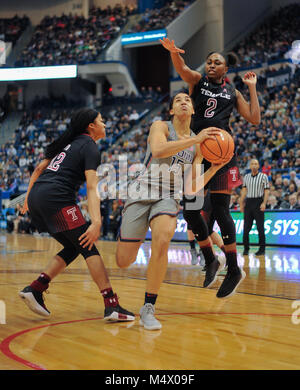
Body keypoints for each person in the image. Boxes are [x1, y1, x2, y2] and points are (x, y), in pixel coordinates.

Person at [115, 92, 229, 330]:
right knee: (124, 261)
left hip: (168, 196)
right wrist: (194, 141)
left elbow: (191, 187)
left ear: (193, 110)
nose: (184, 102)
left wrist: (214, 168)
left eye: (187, 99)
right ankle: (127, 232)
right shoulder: (161, 126)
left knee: (163, 238)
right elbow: (158, 151)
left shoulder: (199, 146)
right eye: (178, 100)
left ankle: (148, 307)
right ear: (172, 110)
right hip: (141, 191)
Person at [160, 37, 261, 298]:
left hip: (223, 153)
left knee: (220, 209)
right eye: (209, 62)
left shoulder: (232, 92)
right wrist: (174, 54)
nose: (211, 66)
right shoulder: (198, 81)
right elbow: (183, 70)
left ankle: (234, 269)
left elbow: (254, 119)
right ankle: (210, 259)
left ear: (226, 70)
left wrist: (251, 88)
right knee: (191, 212)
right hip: (197, 151)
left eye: (217, 63)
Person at [19, 108, 135, 322]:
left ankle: (36, 288)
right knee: (88, 246)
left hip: (39, 197)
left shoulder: (68, 144)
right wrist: (97, 222)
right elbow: (92, 187)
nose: (105, 125)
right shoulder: (89, 145)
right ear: (91, 126)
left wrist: (27, 200)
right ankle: (111, 305)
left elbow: (37, 169)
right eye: (102, 121)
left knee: (74, 246)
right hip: (56, 198)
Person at [239, 159, 270, 256]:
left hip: (258, 201)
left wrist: (264, 203)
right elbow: (244, 191)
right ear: (250, 166)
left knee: (260, 227)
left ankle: (262, 249)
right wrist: (241, 203)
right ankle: (246, 249)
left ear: (258, 166)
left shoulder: (263, 176)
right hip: (249, 202)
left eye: (256, 164)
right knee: (246, 228)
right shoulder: (246, 177)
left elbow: (266, 191)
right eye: (252, 164)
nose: (254, 165)